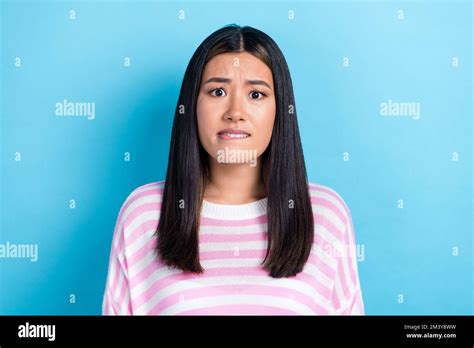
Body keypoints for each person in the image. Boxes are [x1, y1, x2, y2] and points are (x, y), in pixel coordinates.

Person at [102, 24, 364, 315]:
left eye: (256, 95)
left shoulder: (326, 214)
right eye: (217, 91)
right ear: (192, 106)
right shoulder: (144, 213)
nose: (235, 112)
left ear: (281, 110)